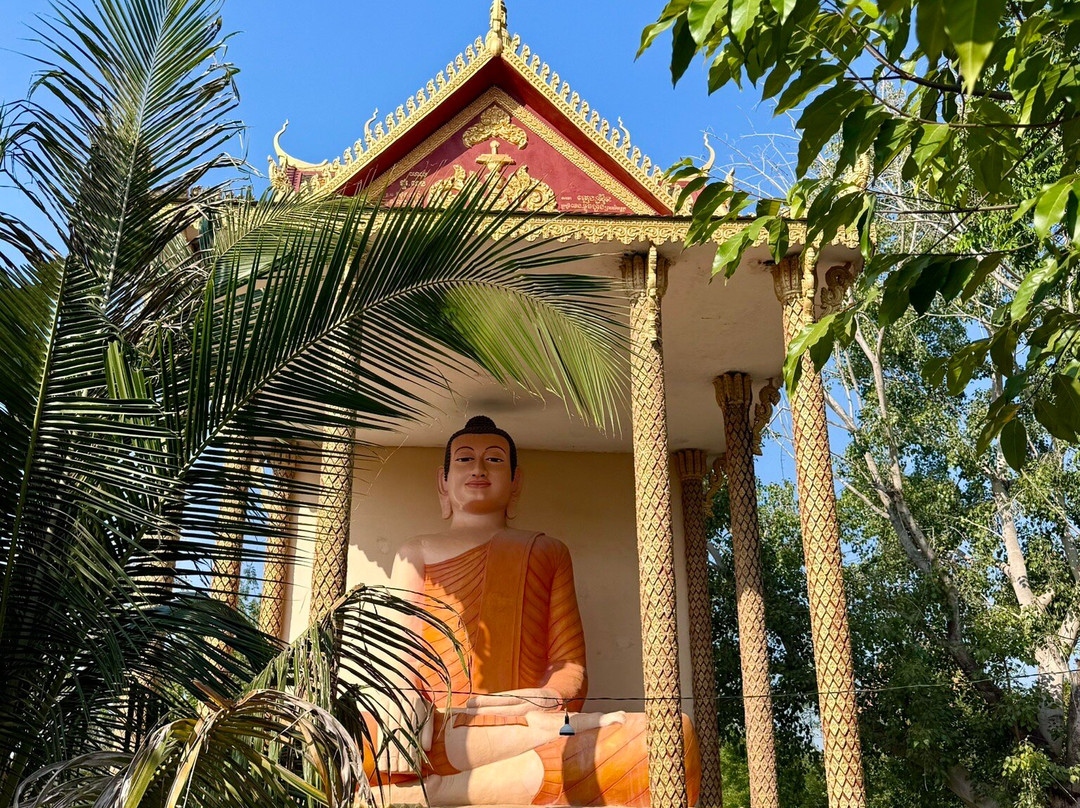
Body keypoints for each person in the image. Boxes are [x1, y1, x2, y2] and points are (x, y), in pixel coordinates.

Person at [372, 416, 700, 806]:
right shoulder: (417, 552)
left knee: (668, 742)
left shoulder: (546, 552)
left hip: (533, 722)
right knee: (360, 737)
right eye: (464, 460)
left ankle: (437, 794)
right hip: (441, 728)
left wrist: (545, 697)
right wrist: (401, 701)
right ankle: (442, 782)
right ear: (443, 481)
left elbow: (570, 668)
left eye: (494, 460)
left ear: (516, 482)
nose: (478, 468)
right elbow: (394, 654)